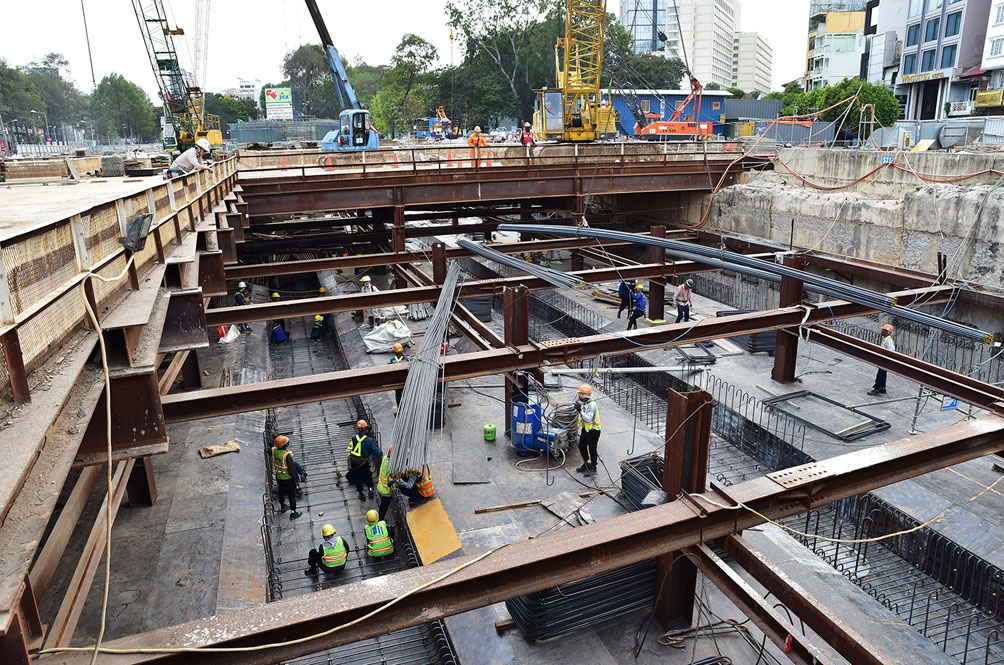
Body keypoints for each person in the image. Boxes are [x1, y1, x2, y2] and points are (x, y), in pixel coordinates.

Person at [272, 435, 305, 519]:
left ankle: (283, 506)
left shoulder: (274, 451)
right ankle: (293, 513)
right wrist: (296, 479)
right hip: (288, 479)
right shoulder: (286, 455)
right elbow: (292, 469)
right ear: (284, 445)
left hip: (280, 477)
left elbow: (270, 449)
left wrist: (275, 438)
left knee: (281, 491)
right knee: (291, 495)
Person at [347, 420, 381, 501]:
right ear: (365, 429)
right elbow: (377, 452)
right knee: (367, 475)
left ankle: (361, 493)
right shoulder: (369, 440)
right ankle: (370, 490)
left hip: (354, 463)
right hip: (363, 463)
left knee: (357, 478)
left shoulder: (354, 437)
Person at [575, 384, 601, 476]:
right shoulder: (585, 403)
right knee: (582, 446)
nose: (580, 397)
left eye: (581, 396)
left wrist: (580, 411)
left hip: (593, 431)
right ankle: (586, 463)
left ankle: (593, 467)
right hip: (586, 429)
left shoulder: (592, 405)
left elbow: (588, 419)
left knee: (592, 449)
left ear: (586, 396)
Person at [869, 324, 896, 396]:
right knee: (883, 374)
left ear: (887, 332)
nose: (881, 331)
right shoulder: (886, 339)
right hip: (884, 360)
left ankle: (877, 389)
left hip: (884, 360)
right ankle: (882, 388)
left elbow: (892, 349)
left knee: (880, 374)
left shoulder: (888, 340)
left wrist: (885, 355)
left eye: (883, 330)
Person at [376, 446, 393, 520]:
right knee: (384, 507)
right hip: (386, 491)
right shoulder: (392, 465)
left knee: (382, 506)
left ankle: (380, 518)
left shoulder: (385, 458)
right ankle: (380, 520)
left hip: (380, 487)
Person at [389, 343, 407, 408]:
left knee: (399, 395)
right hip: (404, 379)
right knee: (403, 395)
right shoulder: (406, 359)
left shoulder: (392, 359)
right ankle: (403, 408)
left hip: (398, 380)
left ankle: (400, 408)